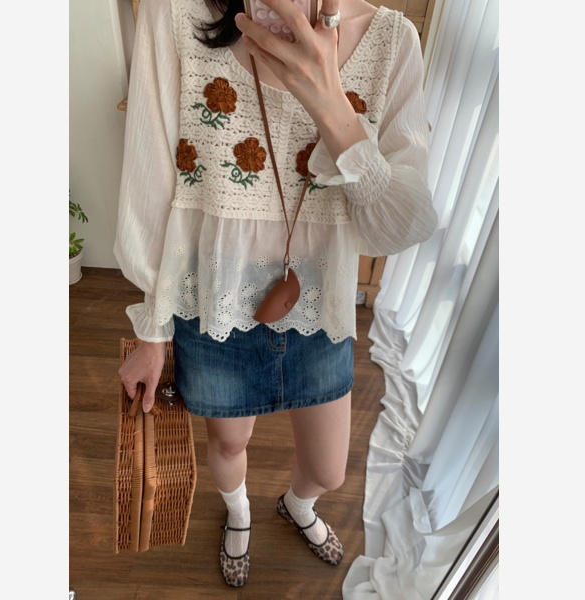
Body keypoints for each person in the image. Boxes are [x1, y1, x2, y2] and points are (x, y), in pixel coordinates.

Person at [114, 0, 437, 588]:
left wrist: (331, 103)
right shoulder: (177, 14)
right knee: (228, 442)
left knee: (329, 470)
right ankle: (238, 514)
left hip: (320, 303)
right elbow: (149, 184)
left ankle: (297, 504)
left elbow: (395, 230)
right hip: (212, 300)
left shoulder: (393, 42)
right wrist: (151, 332)